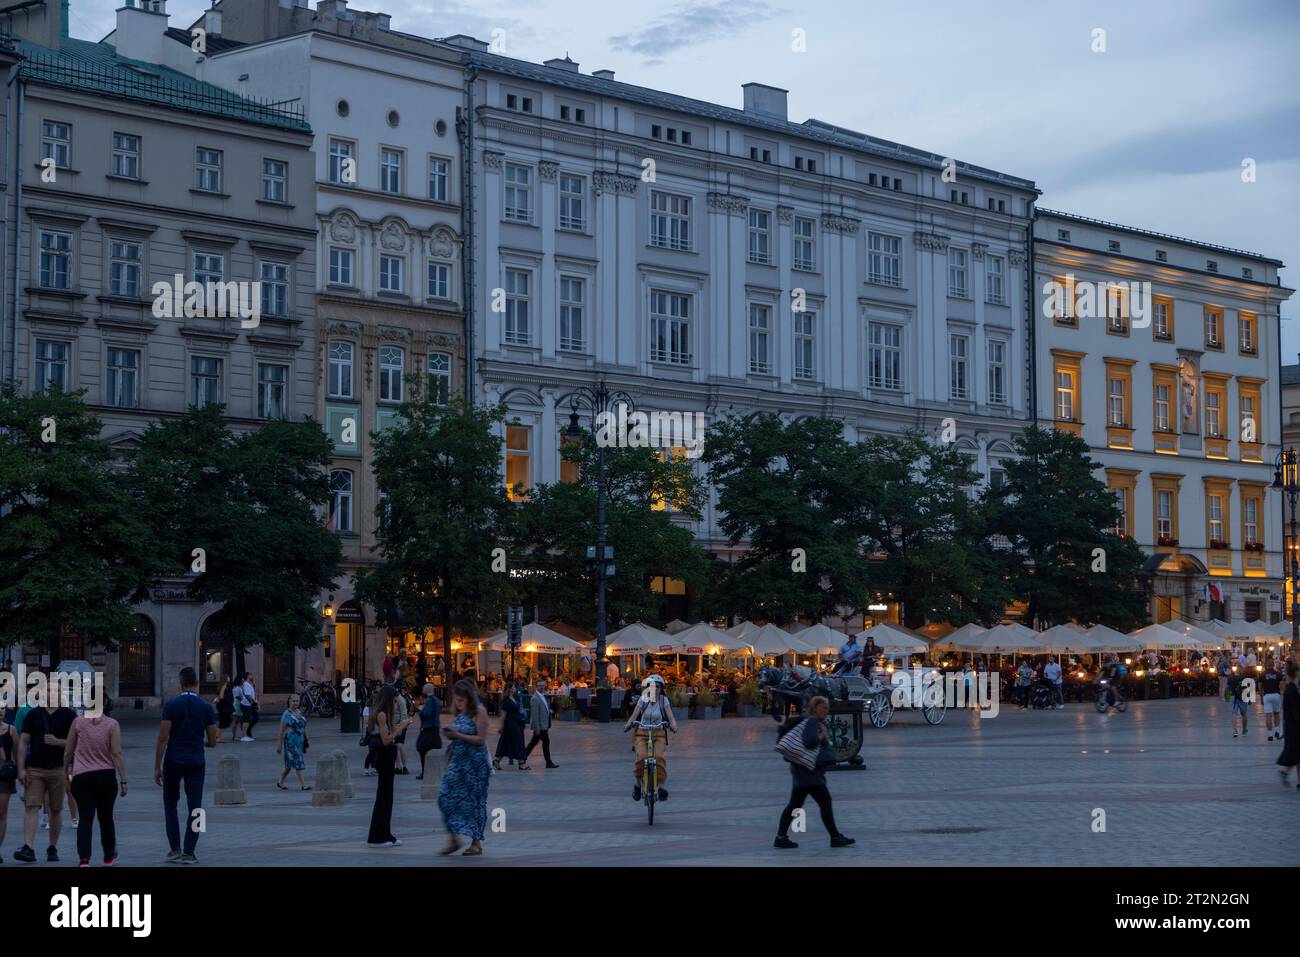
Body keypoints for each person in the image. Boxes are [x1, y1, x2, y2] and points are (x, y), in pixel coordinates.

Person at [773, 696, 855, 849]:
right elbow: (810, 742)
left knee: (795, 805)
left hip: (802, 770)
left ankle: (781, 837)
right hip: (809, 772)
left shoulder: (810, 721)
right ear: (815, 707)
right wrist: (822, 736)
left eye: (827, 708)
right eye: (824, 708)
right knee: (825, 802)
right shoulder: (812, 722)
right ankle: (835, 837)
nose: (827, 711)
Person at [155, 667, 219, 864]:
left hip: (173, 759)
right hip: (196, 761)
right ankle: (189, 851)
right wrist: (201, 743)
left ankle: (174, 848)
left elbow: (163, 738)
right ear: (197, 683)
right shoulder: (207, 707)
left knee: (170, 803)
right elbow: (213, 740)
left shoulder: (172, 705)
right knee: (196, 807)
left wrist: (157, 766)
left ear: (181, 683)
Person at [63, 699, 127, 867]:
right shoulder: (112, 724)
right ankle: (108, 856)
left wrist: (65, 771)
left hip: (82, 776)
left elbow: (68, 750)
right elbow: (116, 752)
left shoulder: (77, 722)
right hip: (105, 776)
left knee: (85, 818)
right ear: (105, 704)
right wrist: (123, 779)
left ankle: (84, 859)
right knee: (106, 818)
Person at [14, 698, 76, 863]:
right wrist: (20, 769)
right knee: (31, 806)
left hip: (58, 769)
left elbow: (76, 742)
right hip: (35, 769)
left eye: (54, 690)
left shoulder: (69, 715)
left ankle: (52, 847)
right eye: (48, 689)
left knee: (55, 809)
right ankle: (29, 848)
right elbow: (23, 741)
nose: (51, 693)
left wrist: (58, 742)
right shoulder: (33, 714)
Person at [438, 678, 491, 856]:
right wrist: (449, 734)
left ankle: (476, 843)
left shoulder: (479, 712)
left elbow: (480, 740)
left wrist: (458, 735)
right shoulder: (460, 714)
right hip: (458, 763)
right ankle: (454, 839)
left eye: (461, 700)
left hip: (475, 765)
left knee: (474, 803)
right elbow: (458, 733)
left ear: (469, 698)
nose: (458, 704)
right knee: (444, 797)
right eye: (456, 700)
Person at [364, 685, 417, 847]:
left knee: (388, 798)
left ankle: (386, 833)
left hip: (387, 757)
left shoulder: (383, 715)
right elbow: (386, 740)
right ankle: (376, 837)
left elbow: (392, 735)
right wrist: (400, 727)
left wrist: (402, 726)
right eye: (394, 701)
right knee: (383, 798)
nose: (395, 704)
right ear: (388, 700)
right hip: (384, 758)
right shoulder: (380, 714)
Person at [623, 675, 677, 802]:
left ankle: (660, 786)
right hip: (642, 732)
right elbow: (635, 714)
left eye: (658, 686)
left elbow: (670, 716)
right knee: (641, 757)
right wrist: (628, 724)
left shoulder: (664, 700)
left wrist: (673, 725)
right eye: (652, 686)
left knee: (658, 757)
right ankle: (637, 784)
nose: (655, 689)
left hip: (659, 733)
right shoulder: (643, 699)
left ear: (661, 688)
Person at [275, 694, 310, 791]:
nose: (296, 703)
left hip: (300, 741)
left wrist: (306, 741)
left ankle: (280, 781)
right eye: (293, 701)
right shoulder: (287, 714)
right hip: (291, 742)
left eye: (297, 701)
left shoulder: (299, 712)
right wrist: (279, 746)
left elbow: (304, 727)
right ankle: (304, 785)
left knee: (289, 765)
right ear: (289, 701)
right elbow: (281, 730)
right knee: (298, 762)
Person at [493, 680, 528, 771]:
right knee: (517, 741)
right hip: (510, 724)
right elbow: (503, 714)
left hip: (517, 723)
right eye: (513, 687)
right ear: (509, 689)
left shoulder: (513, 698)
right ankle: (521, 762)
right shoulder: (506, 700)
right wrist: (501, 726)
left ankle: (497, 760)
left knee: (508, 742)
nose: (515, 688)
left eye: (514, 687)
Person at [524, 678, 558, 769]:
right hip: (540, 726)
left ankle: (522, 758)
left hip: (544, 724)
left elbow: (544, 708)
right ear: (536, 686)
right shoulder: (535, 698)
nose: (542, 687)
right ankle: (548, 762)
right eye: (540, 685)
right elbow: (535, 715)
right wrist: (537, 727)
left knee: (533, 743)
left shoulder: (543, 696)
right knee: (545, 742)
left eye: (543, 685)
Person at [1276, 662, 1300, 787]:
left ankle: (1296, 780)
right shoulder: (1292, 689)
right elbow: (1295, 710)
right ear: (1296, 673)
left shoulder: (1291, 688)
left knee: (1296, 753)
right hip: (1294, 726)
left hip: (1291, 725)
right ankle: (1285, 773)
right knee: (1296, 752)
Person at [414, 684, 442, 780]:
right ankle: (433, 771)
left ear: (427, 690)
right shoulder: (437, 701)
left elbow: (426, 713)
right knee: (432, 751)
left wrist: (419, 711)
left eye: (423, 688)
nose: (422, 690)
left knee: (422, 750)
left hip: (427, 730)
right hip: (435, 730)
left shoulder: (429, 701)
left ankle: (425, 772)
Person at [0, 713, 16, 863]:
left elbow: (16, 752)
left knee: (2, 811)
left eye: (2, 708)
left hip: (4, 774)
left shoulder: (11, 729)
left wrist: (21, 770)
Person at [1262, 658, 1284, 741]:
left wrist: (1261, 697)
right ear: (1273, 664)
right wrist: (1281, 694)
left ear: (1267, 665)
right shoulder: (1278, 674)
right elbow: (1281, 686)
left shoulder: (1263, 674)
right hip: (1276, 694)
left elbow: (1260, 687)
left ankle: (1270, 735)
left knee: (1268, 715)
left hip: (1267, 695)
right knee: (1277, 714)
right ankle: (1277, 732)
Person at [236, 673, 259, 742]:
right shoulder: (246, 684)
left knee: (250, 719)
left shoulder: (249, 684)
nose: (252, 676)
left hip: (248, 704)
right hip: (246, 704)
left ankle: (246, 734)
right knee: (246, 720)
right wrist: (252, 702)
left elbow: (252, 693)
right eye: (251, 675)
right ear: (248, 676)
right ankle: (244, 736)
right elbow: (247, 694)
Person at [1228, 670, 1249, 738]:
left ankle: (1235, 731)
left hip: (1233, 697)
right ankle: (1244, 730)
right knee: (1244, 714)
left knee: (1234, 713)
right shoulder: (1243, 678)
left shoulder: (1231, 678)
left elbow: (1228, 688)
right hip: (1242, 697)